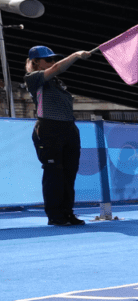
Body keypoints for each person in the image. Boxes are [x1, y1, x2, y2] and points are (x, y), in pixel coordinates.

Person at [24, 45, 92, 226]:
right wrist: (76, 54)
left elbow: (55, 70)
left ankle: (67, 212)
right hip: (49, 128)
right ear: (36, 62)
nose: (53, 62)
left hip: (68, 128)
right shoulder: (33, 78)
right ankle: (55, 215)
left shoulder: (57, 83)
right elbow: (57, 69)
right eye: (49, 59)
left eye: (54, 59)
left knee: (69, 173)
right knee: (54, 172)